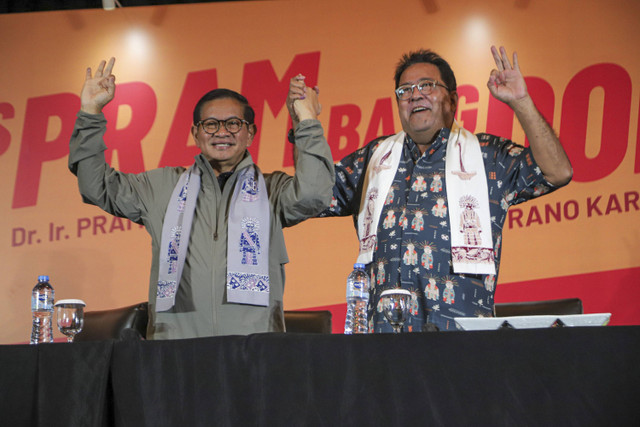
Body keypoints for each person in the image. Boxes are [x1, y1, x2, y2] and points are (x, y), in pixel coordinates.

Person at [299, 46, 572, 332]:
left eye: (426, 85)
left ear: (452, 99)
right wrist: (306, 121)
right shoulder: (374, 158)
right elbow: (310, 194)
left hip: (460, 348)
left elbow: (558, 171)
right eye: (404, 90)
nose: (415, 94)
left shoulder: (487, 156)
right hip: (381, 345)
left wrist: (522, 102)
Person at [69, 58, 334, 339]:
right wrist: (90, 113)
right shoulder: (161, 187)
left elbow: (314, 194)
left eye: (234, 123)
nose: (222, 132)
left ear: (250, 134)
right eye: (210, 124)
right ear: (195, 134)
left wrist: (306, 120)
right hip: (176, 352)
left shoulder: (273, 190)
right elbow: (95, 185)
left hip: (254, 354)